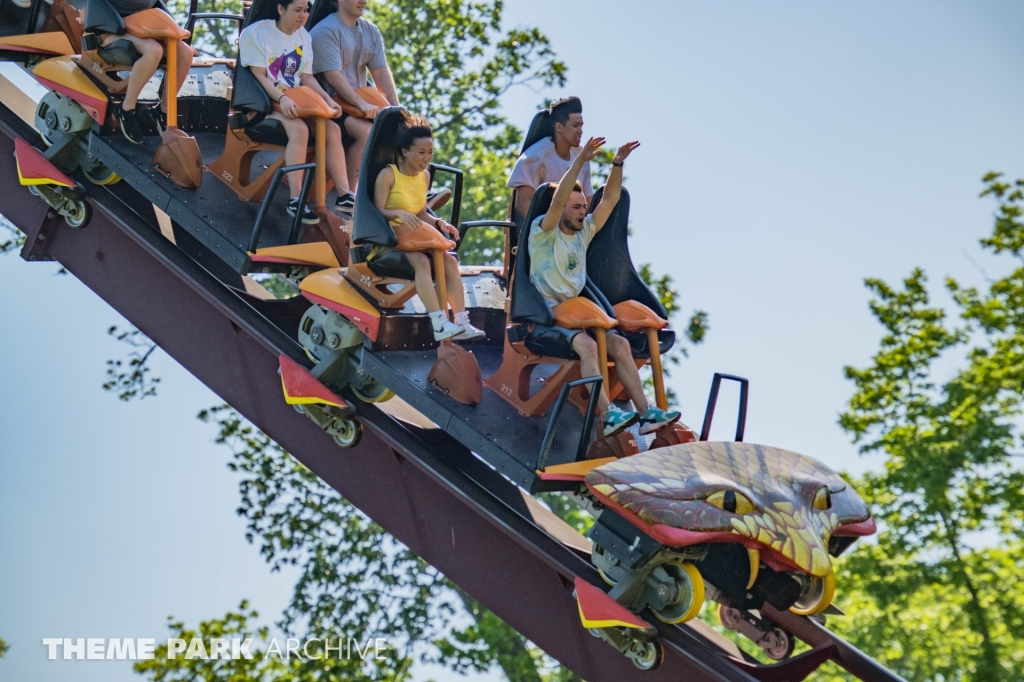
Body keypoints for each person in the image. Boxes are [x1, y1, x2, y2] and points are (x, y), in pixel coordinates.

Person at [528, 136, 680, 437]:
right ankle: (608, 414)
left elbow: (609, 200)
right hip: (544, 317)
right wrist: (580, 161)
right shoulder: (543, 232)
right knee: (586, 346)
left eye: (584, 206)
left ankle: (646, 411)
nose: (581, 212)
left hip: (581, 317)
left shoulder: (582, 233)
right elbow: (557, 201)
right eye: (575, 208)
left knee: (620, 344)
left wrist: (617, 163)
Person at [240, 0, 355, 225]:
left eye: (306, 11)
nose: (303, 16)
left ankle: (345, 195)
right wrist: (281, 98)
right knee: (300, 130)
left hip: (296, 103)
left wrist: (328, 100)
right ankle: (296, 199)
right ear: (281, 9)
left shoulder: (304, 36)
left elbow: (306, 77)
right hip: (264, 105)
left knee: (331, 127)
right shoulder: (257, 32)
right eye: (297, 10)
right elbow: (259, 75)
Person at [373, 114, 485, 342]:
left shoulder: (424, 177)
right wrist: (399, 214)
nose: (426, 158)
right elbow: (376, 211)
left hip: (416, 237)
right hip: (389, 240)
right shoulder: (388, 175)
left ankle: (461, 321)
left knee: (450, 261)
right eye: (421, 153)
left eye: (430, 153)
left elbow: (422, 211)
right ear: (405, 151)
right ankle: (439, 322)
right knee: (422, 262)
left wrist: (439, 223)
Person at [311, 0, 400, 197]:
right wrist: (361, 104)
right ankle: (350, 198)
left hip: (360, 105)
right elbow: (333, 77)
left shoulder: (370, 30)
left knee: (403, 130)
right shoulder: (325, 31)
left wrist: (397, 110)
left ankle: (411, 194)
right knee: (368, 133)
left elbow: (381, 73)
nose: (363, 1)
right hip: (332, 104)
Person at [104, 0, 194, 144]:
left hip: (143, 28)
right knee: (154, 50)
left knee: (185, 53)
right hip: (110, 29)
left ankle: (162, 112)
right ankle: (126, 109)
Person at [507, 96, 594, 223]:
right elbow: (522, 203)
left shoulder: (581, 156)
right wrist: (547, 231)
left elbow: (588, 202)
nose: (580, 131)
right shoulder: (535, 158)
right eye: (575, 126)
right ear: (559, 127)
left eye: (581, 126)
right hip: (541, 237)